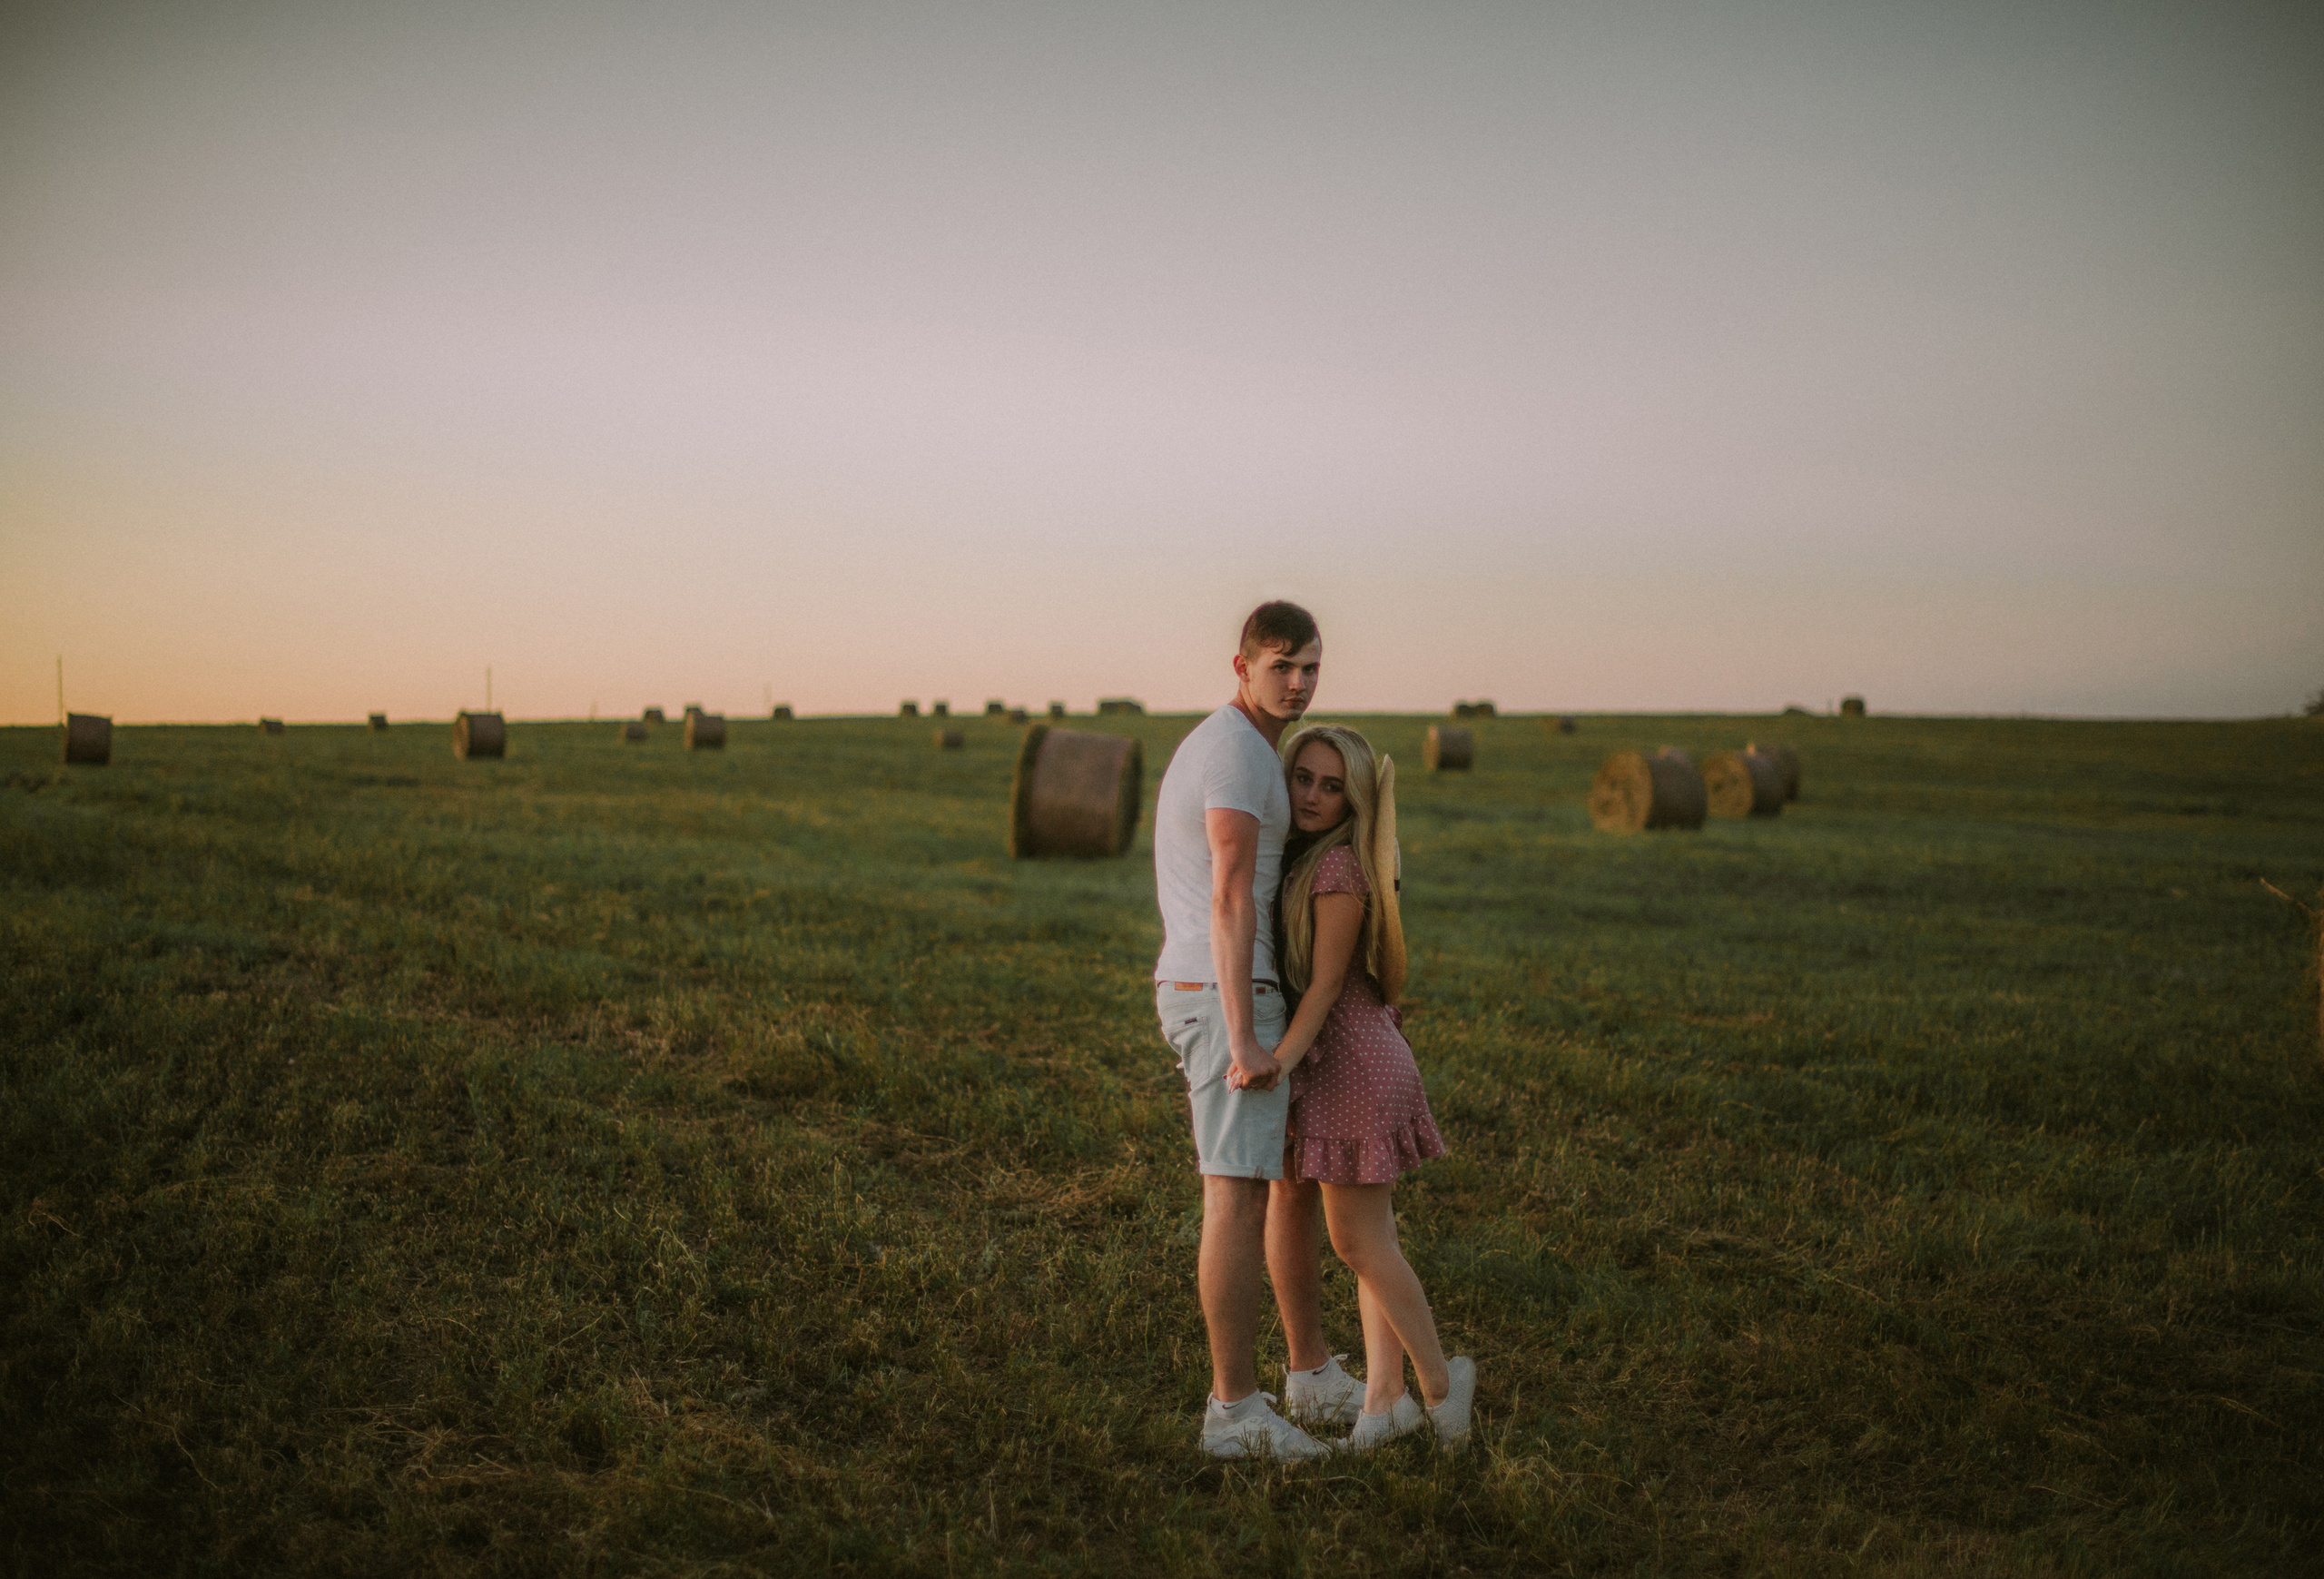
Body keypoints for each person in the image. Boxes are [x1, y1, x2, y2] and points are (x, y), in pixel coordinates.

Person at [1151, 601, 1354, 1460]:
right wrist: (1243, 1036)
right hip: (1225, 991)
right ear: (1241, 666)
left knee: (1279, 1184)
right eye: (1282, 665)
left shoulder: (1248, 748)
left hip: (1229, 985)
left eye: (1310, 665)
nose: (1299, 682)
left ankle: (1306, 1371)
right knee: (1232, 1191)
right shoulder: (1235, 751)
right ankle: (1233, 1411)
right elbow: (1233, 892)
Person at [1265, 724, 1474, 1450]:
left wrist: (1279, 1062)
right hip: (1353, 1061)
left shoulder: (1338, 873)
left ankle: (1444, 1385)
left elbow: (1324, 988)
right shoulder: (1305, 859)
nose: (1315, 796)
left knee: (1357, 1242)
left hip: (1353, 1065)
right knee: (1372, 1239)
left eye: (1333, 787)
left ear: (1356, 802)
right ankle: (1384, 1401)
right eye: (1304, 779)